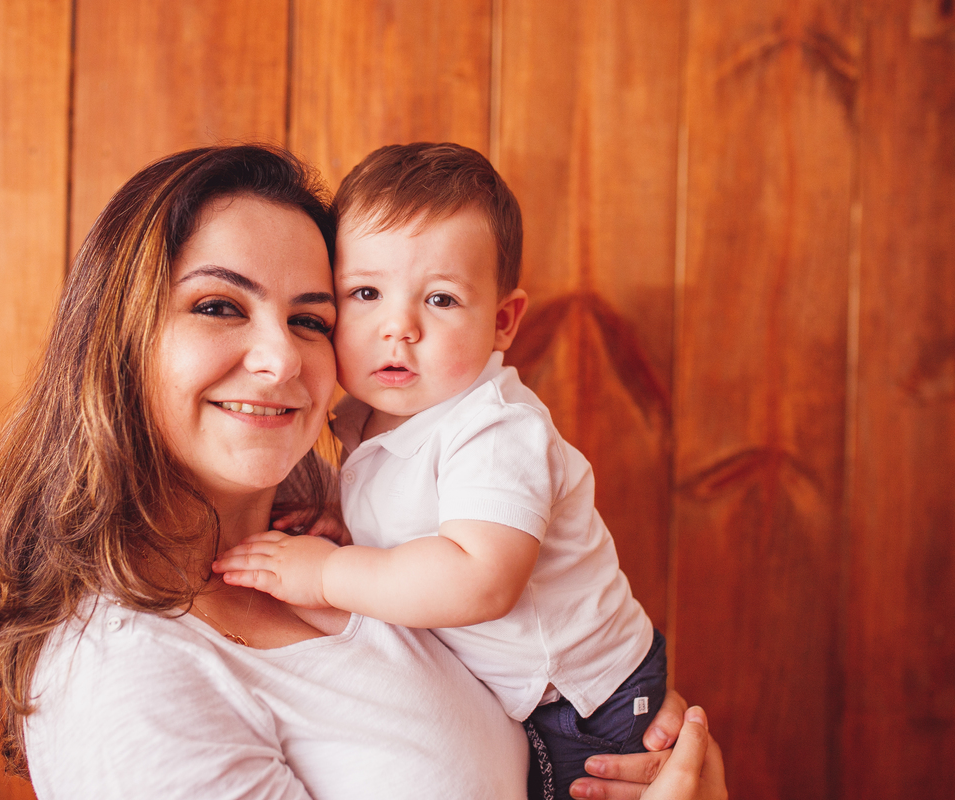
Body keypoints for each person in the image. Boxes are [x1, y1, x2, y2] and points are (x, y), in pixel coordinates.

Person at [0, 143, 724, 799]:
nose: (282, 358)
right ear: (117, 340)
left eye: (311, 319)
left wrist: (654, 759)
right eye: (219, 306)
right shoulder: (124, 673)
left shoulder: (356, 529)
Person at [214, 143, 664, 800]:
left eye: (443, 300)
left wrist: (326, 572)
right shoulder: (370, 417)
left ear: (503, 322)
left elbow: (478, 579)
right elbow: (410, 519)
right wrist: (341, 522)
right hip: (525, 698)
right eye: (365, 292)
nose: (399, 327)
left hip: (589, 702)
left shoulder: (494, 428)